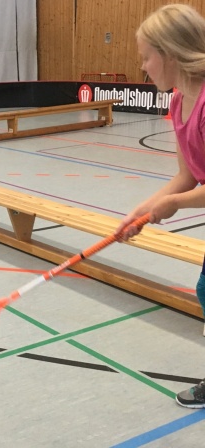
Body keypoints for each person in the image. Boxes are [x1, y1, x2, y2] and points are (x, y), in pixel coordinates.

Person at [114, 4, 205, 410]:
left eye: (146, 57)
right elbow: (188, 176)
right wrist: (140, 212)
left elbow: (183, 193)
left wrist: (172, 205)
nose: (144, 68)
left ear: (169, 54)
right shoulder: (177, 104)